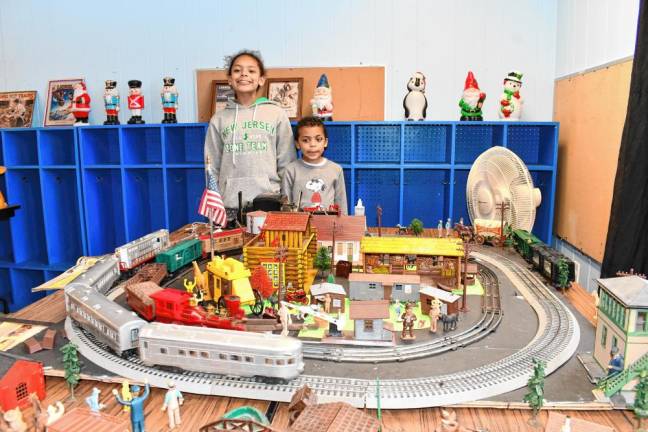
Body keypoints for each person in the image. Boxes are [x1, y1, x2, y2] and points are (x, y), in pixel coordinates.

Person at [204, 50, 296, 220]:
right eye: (237, 70)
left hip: (269, 203)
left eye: (251, 70)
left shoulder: (276, 114)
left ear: (261, 79)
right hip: (229, 206)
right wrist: (215, 202)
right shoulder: (218, 119)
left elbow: (287, 163)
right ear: (230, 79)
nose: (244, 74)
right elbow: (212, 168)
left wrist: (286, 202)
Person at [281, 116, 347, 214]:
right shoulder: (290, 170)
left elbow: (341, 203)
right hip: (300, 225)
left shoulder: (336, 170)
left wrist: (343, 225)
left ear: (325, 142)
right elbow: (285, 207)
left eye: (318, 139)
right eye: (305, 140)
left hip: (328, 225)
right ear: (297, 144)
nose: (312, 144)